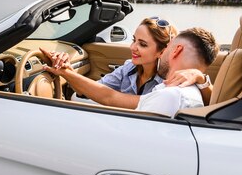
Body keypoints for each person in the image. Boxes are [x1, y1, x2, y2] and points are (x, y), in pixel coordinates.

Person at [40, 17, 214, 109]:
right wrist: (67, 69)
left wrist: (200, 78)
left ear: (163, 51)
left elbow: (109, 97)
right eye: (134, 40)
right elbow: (93, 90)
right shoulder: (129, 68)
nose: (133, 48)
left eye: (143, 44)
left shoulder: (169, 83)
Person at [134, 27, 219, 117]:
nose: (161, 54)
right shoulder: (192, 92)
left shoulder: (169, 96)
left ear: (176, 50)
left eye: (167, 47)